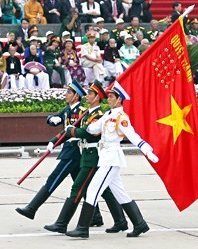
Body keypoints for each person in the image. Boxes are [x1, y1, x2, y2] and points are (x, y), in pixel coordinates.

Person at [66, 82, 158, 238]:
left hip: (112, 158)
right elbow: (93, 128)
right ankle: (139, 223)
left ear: (119, 100)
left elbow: (133, 136)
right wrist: (77, 129)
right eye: (108, 96)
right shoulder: (108, 115)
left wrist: (147, 151)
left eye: (111, 97)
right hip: (105, 156)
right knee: (120, 193)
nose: (108, 99)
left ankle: (82, 228)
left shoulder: (121, 118)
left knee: (93, 190)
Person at [44, 80, 128, 235]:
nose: (86, 96)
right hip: (87, 155)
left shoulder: (98, 115)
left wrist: (72, 132)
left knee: (78, 188)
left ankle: (62, 223)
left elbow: (89, 132)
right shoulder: (87, 113)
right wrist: (56, 140)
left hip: (93, 155)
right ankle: (121, 221)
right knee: (106, 190)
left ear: (97, 97)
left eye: (90, 93)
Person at [15, 81, 95, 221]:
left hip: (74, 151)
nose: (66, 95)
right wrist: (52, 120)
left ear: (76, 96)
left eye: (69, 93)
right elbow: (54, 119)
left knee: (54, 178)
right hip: (68, 149)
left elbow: (80, 132)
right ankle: (96, 216)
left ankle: (32, 208)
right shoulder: (67, 110)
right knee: (82, 185)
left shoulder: (82, 110)